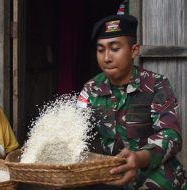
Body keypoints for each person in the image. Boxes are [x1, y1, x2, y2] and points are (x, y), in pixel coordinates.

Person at [77, 14, 187, 190]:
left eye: (114, 48)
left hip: (155, 173)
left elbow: (171, 136)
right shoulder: (91, 89)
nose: (106, 58)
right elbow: (77, 130)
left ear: (134, 50)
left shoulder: (156, 84)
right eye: (100, 50)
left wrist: (140, 158)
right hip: (112, 173)